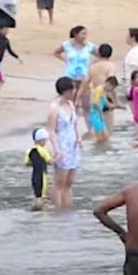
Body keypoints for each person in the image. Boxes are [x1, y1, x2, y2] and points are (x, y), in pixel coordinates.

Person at [54, 25, 97, 132]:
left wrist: (91, 64)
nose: (85, 36)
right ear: (75, 34)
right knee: (72, 105)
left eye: (85, 34)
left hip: (84, 77)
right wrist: (65, 60)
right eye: (82, 34)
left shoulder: (89, 46)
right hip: (71, 77)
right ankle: (72, 128)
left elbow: (100, 55)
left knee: (86, 105)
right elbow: (56, 52)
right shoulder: (67, 45)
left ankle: (90, 130)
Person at [47, 77, 80, 210]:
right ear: (66, 91)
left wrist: (79, 137)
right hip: (62, 146)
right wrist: (56, 149)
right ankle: (58, 210)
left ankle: (68, 210)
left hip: (73, 146)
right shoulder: (54, 108)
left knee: (69, 182)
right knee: (59, 183)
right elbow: (51, 129)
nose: (74, 91)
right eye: (72, 89)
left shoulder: (70, 105)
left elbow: (75, 123)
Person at [89, 44, 119, 132]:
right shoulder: (110, 66)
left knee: (98, 126)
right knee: (108, 128)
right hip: (106, 96)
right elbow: (111, 81)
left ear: (99, 53)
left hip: (95, 96)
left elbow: (86, 82)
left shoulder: (92, 67)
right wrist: (116, 100)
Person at [24, 127, 52, 211]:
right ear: (41, 140)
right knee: (42, 196)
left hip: (34, 175)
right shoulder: (43, 150)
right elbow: (50, 161)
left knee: (36, 194)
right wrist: (59, 157)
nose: (45, 142)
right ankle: (41, 211)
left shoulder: (29, 150)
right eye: (45, 140)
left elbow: (26, 163)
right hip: (42, 176)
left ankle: (35, 208)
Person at [90, 76, 121, 144]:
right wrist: (101, 115)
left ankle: (102, 152)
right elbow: (95, 103)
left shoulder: (103, 91)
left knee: (105, 137)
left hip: (98, 115)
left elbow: (107, 104)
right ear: (108, 84)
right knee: (99, 138)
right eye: (112, 88)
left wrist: (117, 106)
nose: (111, 90)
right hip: (95, 115)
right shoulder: (99, 90)